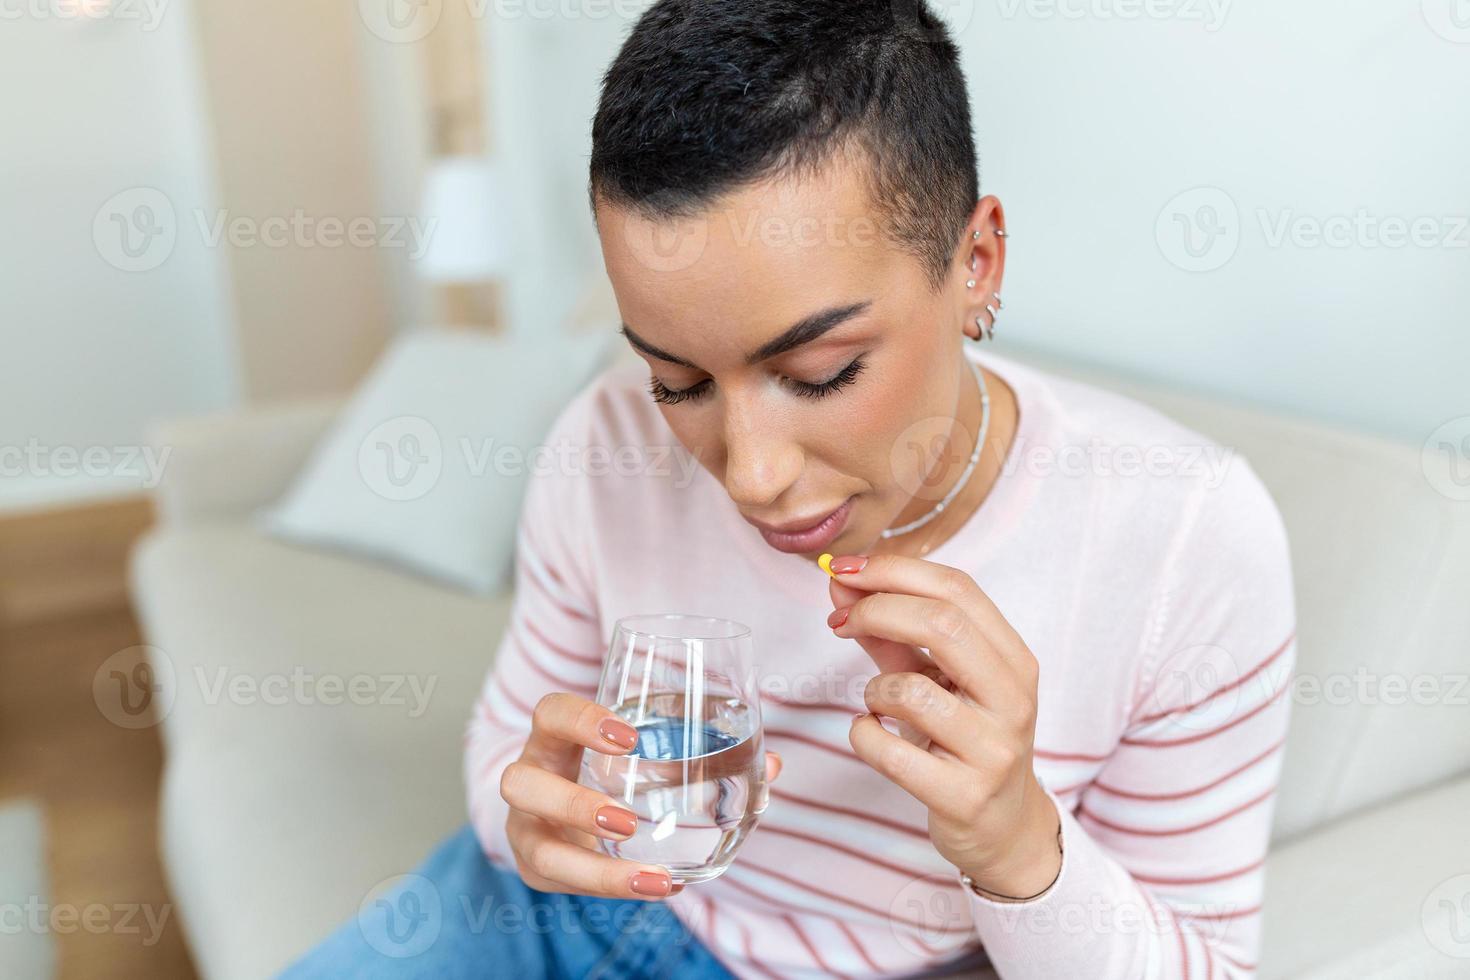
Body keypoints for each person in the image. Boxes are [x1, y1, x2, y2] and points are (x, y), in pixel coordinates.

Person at [282, 0, 1295, 976]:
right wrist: (531, 818)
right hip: (557, 917)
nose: (752, 476)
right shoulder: (604, 445)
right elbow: (510, 737)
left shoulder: (1184, 537)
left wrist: (1019, 842)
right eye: (676, 379)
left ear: (976, 262)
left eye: (821, 374)